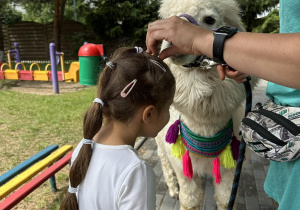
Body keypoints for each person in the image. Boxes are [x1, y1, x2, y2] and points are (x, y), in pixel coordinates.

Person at [145, 2, 300, 208]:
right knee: (182, 180)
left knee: (227, 194)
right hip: (287, 148)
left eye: (209, 20)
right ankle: (172, 180)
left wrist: (204, 41)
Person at [59, 46, 176, 210]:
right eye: (168, 108)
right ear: (148, 114)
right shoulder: (136, 172)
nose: (169, 115)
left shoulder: (83, 147)